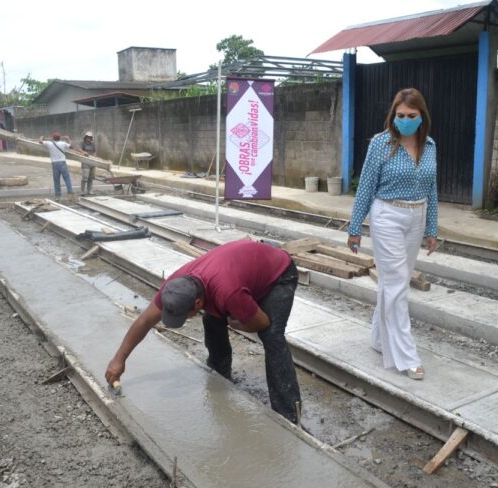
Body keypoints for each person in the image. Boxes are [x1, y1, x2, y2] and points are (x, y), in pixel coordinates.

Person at [105, 239, 303, 423]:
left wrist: (237, 323)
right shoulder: (175, 286)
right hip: (244, 270)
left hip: (279, 274)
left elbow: (261, 323)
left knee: (272, 335)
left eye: (185, 315)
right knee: (212, 318)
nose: (185, 319)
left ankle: (290, 415)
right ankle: (220, 375)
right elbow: (144, 320)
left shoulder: (229, 292)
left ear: (198, 302)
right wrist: (119, 359)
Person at [346, 88, 439, 381]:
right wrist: (355, 226)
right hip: (387, 214)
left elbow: (432, 189)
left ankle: (378, 337)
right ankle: (406, 356)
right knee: (398, 284)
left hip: (417, 215)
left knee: (392, 281)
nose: (405, 121)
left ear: (421, 116)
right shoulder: (380, 143)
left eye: (411, 116)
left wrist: (432, 229)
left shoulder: (430, 146)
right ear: (393, 116)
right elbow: (366, 186)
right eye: (400, 116)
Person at [39, 131, 74, 198]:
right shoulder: (63, 143)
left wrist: (41, 137)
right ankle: (70, 192)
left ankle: (58, 195)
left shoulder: (49, 143)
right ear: (60, 138)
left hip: (54, 164)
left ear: (53, 138)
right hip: (62, 163)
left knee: (56, 180)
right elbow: (71, 146)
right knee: (67, 178)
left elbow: (40, 141)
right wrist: (68, 139)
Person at [80, 131, 96, 195]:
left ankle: (89, 190)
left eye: (90, 137)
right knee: (85, 177)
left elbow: (95, 151)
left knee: (91, 177)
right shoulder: (82, 144)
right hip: (85, 162)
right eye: (87, 137)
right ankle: (82, 191)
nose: (89, 139)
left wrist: (94, 156)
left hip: (92, 162)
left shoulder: (93, 144)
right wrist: (83, 152)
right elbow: (78, 149)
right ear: (85, 137)